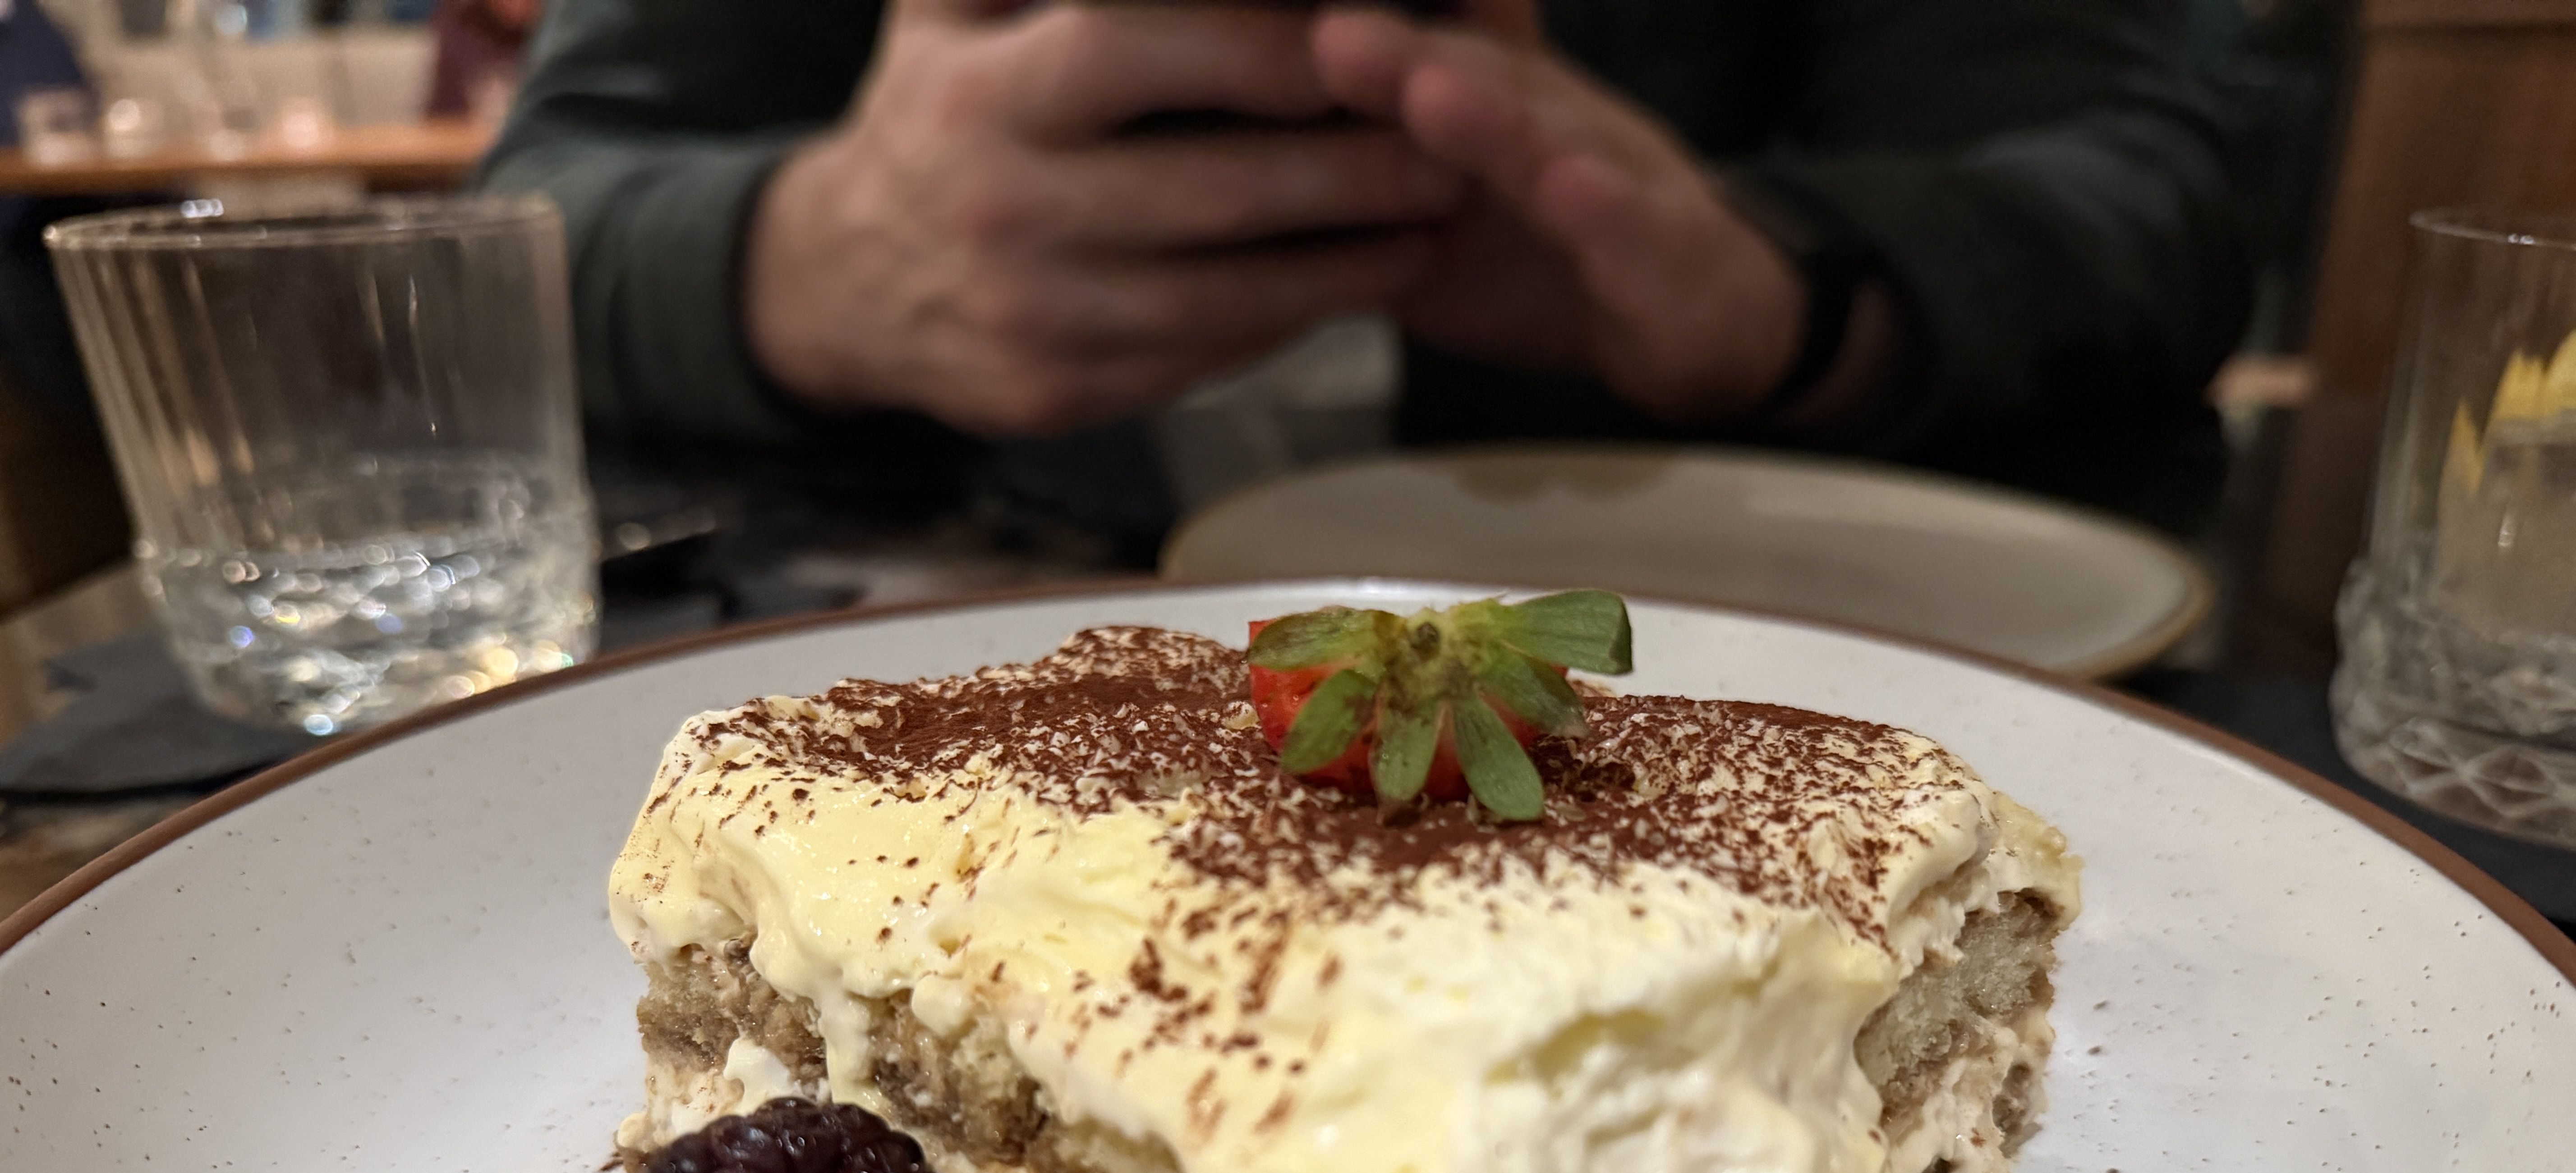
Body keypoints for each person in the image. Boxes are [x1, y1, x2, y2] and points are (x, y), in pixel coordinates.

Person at [483, 0, 2249, 547]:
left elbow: (2148, 208)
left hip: (1736, 620)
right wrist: (803, 262)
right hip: (944, 617)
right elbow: (532, 219)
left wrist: (1786, 304)